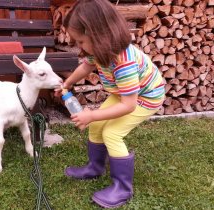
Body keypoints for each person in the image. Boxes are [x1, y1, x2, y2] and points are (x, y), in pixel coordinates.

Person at [55, 0, 166, 208]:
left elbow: (128, 106)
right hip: (124, 93)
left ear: (96, 34)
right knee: (98, 126)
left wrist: (91, 115)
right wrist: (67, 83)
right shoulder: (97, 49)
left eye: (80, 41)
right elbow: (86, 67)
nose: (79, 46)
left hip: (145, 98)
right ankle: (95, 167)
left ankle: (123, 188)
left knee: (112, 133)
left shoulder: (124, 62)